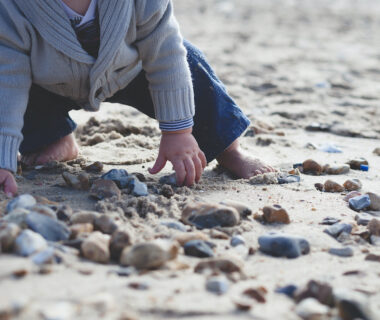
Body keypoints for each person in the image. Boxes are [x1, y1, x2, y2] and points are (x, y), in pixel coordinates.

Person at [0, 0, 275, 196]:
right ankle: (52, 137)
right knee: (14, 92)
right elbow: (9, 79)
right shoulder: (13, 7)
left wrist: (178, 131)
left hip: (131, 69)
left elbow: (165, 52)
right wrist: (3, 159)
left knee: (189, 64)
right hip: (46, 79)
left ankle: (228, 148)